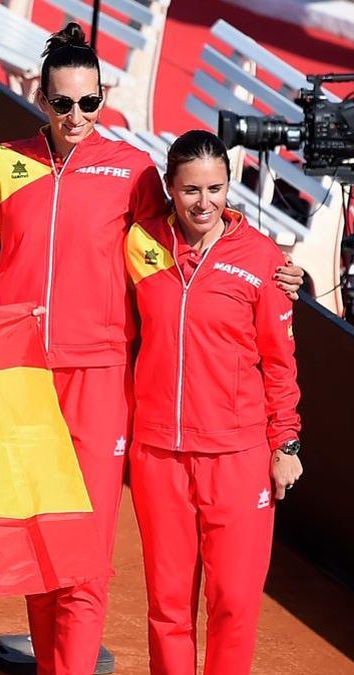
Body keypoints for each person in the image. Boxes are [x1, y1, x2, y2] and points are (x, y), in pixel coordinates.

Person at [0, 22, 303, 675]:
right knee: (40, 541)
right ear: (41, 97)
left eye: (90, 102)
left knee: (84, 554)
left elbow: (195, 227)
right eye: (63, 103)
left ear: (103, 95)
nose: (77, 116)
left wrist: (275, 269)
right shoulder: (7, 161)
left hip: (100, 382)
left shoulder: (134, 171)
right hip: (24, 379)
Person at [125, 130, 302, 675]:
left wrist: (285, 443)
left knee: (233, 605)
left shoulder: (263, 259)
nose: (205, 203)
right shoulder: (139, 244)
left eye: (217, 189)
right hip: (158, 453)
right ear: (170, 190)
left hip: (237, 457)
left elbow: (279, 363)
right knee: (168, 607)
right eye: (191, 190)